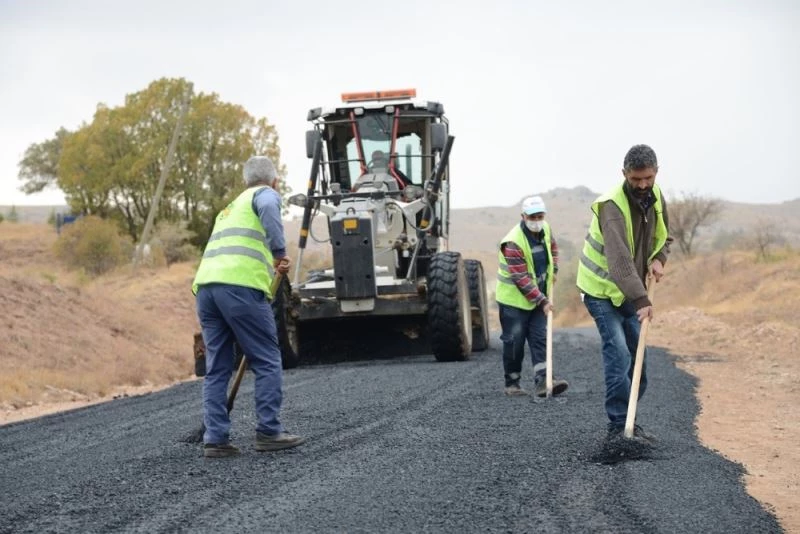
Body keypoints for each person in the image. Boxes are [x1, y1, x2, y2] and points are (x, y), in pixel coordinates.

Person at [192, 156, 305, 458]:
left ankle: (215, 438)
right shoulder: (265, 195)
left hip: (206, 289)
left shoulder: (230, 208)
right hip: (240, 287)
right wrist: (279, 253)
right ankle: (269, 432)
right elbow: (268, 206)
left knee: (217, 367)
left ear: (245, 181)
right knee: (267, 358)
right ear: (275, 181)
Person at [576, 144, 672, 441]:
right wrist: (641, 299)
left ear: (656, 173)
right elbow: (619, 261)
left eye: (648, 178)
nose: (642, 185)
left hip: (629, 290)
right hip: (601, 291)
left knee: (639, 360)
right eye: (635, 179)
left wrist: (659, 258)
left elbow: (665, 237)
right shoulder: (611, 207)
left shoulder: (656, 196)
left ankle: (630, 419)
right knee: (618, 353)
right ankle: (618, 426)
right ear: (624, 174)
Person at [496, 195, 569, 397]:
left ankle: (544, 381)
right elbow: (520, 278)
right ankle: (512, 383)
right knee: (514, 342)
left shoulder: (546, 229)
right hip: (514, 301)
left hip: (537, 297)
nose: (537, 221)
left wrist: (554, 270)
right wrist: (542, 300)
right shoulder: (513, 242)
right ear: (523, 216)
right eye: (532, 217)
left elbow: (553, 248)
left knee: (539, 338)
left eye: (540, 216)